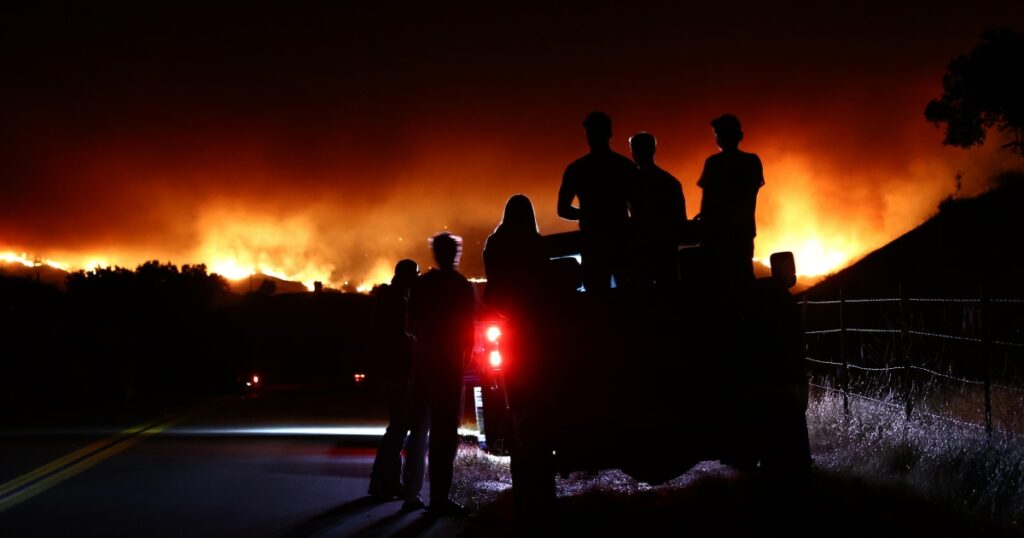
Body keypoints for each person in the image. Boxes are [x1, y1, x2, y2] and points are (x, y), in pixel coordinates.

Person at [483, 195, 557, 519]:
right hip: (540, 337)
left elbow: (493, 292)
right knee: (540, 413)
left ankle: (524, 490)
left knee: (519, 414)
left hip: (514, 336)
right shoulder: (536, 245)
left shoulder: (496, 246)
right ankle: (542, 489)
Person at [404, 232, 476, 516]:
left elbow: (412, 324)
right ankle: (439, 499)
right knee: (445, 434)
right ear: (454, 254)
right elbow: (468, 331)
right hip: (448, 367)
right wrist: (462, 359)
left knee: (419, 430)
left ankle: (411, 493)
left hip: (424, 365)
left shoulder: (423, 286)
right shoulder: (460, 286)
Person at [558, 111, 637, 291]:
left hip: (593, 244)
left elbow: (562, 209)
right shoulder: (624, 166)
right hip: (622, 242)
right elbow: (639, 206)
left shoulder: (577, 169)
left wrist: (586, 215)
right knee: (629, 295)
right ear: (610, 133)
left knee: (597, 296)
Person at [695, 113, 764, 298]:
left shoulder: (714, 163)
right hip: (741, 233)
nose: (718, 137)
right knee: (743, 282)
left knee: (719, 286)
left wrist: (704, 223)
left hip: (718, 236)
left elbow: (707, 200)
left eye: (719, 133)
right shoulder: (752, 161)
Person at [367, 259, 419, 500]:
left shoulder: (393, 297)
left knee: (398, 427)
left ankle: (385, 481)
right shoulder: (396, 300)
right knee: (399, 427)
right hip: (396, 372)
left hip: (392, 371)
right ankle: (384, 482)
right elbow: (396, 337)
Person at [628, 131, 687, 287]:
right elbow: (680, 219)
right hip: (666, 247)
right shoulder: (670, 182)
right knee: (669, 289)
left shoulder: (630, 183)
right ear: (653, 150)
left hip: (640, 248)